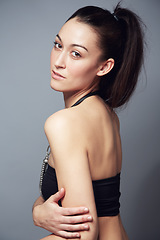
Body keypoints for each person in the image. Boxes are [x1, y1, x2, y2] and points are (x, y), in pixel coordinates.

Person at [32, 3, 145, 240]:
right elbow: (76, 198)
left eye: (76, 53)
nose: (59, 61)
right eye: (58, 45)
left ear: (104, 66)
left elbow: (84, 234)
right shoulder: (107, 115)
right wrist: (39, 212)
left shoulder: (64, 123)